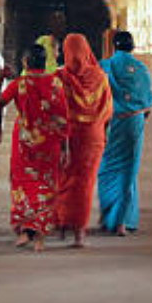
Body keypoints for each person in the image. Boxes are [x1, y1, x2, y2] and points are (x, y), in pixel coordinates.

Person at [0, 43, 70, 252]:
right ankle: (40, 235)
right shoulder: (56, 84)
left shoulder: (19, 84)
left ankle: (26, 230)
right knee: (46, 184)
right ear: (45, 62)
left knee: (23, 184)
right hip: (49, 143)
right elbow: (63, 119)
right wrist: (65, 148)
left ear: (25, 62)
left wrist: (0, 79)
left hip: (24, 142)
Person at [55, 33, 112, 247]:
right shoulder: (100, 77)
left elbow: (54, 110)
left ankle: (61, 224)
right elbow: (108, 111)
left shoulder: (60, 78)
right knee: (85, 185)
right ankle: (79, 234)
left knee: (64, 179)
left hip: (66, 139)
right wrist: (100, 129)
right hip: (93, 138)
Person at [97, 30, 152, 235]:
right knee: (129, 169)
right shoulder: (141, 68)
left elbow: (96, 94)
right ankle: (123, 221)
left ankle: (108, 217)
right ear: (133, 47)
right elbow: (147, 101)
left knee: (107, 169)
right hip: (134, 122)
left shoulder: (105, 67)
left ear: (114, 46)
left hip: (109, 122)